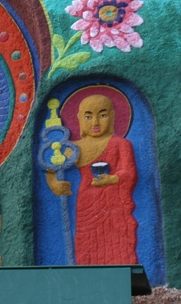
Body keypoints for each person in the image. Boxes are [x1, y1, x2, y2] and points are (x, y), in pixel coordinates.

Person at [46, 94, 138, 264]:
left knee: (118, 240)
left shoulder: (121, 144)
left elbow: (129, 172)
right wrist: (53, 183)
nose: (95, 122)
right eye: (88, 116)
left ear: (112, 116)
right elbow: (52, 164)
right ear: (79, 119)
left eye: (102, 115)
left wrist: (112, 179)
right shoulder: (76, 147)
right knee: (87, 242)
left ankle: (122, 272)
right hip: (87, 201)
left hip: (114, 203)